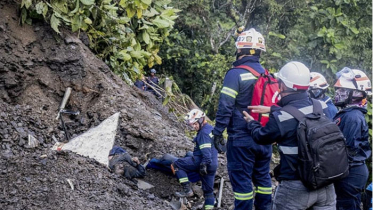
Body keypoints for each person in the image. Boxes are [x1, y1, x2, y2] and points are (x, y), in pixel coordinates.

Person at [244, 61, 336, 210]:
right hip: (326, 184)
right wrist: (272, 109)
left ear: (282, 86)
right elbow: (299, 112)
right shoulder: (322, 106)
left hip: (296, 187)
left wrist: (251, 122)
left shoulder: (281, 117)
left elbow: (261, 137)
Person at [212, 28, 272, 210]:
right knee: (263, 180)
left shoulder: (235, 74)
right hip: (264, 137)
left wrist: (217, 132)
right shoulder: (268, 75)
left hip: (241, 138)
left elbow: (225, 106)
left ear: (239, 49)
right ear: (261, 51)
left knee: (242, 184)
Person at [332, 67, 372, 210]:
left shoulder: (352, 117)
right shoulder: (348, 113)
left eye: (343, 90)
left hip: (350, 174)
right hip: (349, 171)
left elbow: (345, 149)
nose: (338, 93)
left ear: (356, 93)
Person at [171, 109, 218, 210]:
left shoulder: (203, 134)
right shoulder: (210, 129)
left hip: (202, 161)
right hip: (213, 164)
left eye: (195, 124)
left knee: (176, 165)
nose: (193, 126)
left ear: (201, 120)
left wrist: (203, 164)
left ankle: (187, 189)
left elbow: (206, 153)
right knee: (208, 192)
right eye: (192, 124)